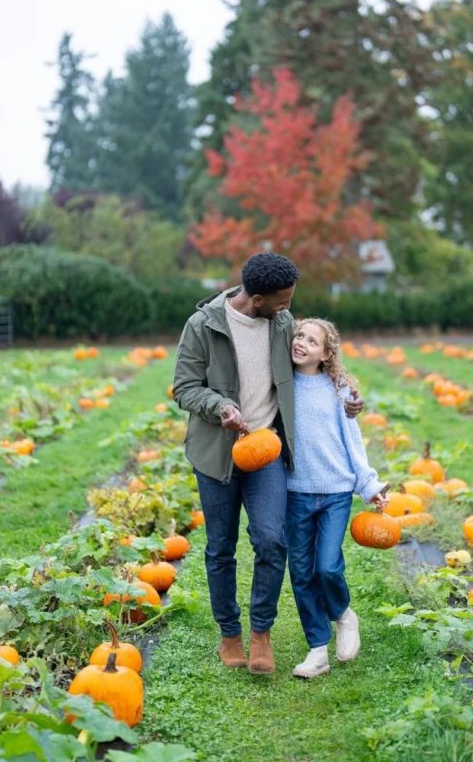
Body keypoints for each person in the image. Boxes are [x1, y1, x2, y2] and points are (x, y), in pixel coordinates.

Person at [173, 252, 364, 675]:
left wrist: (346, 398)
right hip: (216, 453)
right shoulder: (202, 326)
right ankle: (230, 634)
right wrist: (218, 404)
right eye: (282, 300)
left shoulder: (281, 325)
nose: (289, 309)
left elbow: (316, 362)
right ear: (257, 298)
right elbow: (184, 387)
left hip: (267, 451)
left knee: (271, 541)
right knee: (221, 549)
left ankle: (262, 632)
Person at [286, 318, 390, 679]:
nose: (301, 343)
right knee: (300, 571)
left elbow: (353, 442)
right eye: (299, 336)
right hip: (295, 492)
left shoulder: (339, 391)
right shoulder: (282, 384)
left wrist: (369, 485)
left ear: (327, 354)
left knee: (327, 566)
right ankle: (317, 649)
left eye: (312, 341)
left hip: (335, 492)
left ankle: (344, 615)